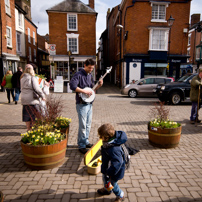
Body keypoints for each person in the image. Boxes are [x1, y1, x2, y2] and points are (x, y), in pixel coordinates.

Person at [69, 59, 103, 154]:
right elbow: (72, 86)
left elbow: (92, 89)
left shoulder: (90, 76)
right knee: (83, 126)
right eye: (89, 68)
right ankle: (81, 145)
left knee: (88, 125)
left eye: (92, 68)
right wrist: (84, 91)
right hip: (81, 104)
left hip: (89, 104)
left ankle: (86, 141)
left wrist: (99, 85)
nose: (90, 70)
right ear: (84, 65)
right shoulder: (78, 75)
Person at [97, 123, 127, 202]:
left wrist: (110, 173)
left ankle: (120, 195)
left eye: (101, 136)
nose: (100, 138)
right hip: (107, 168)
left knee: (112, 184)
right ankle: (107, 190)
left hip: (114, 172)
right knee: (105, 180)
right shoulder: (108, 144)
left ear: (106, 138)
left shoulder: (114, 149)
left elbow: (117, 163)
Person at [20, 64, 46, 131]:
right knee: (34, 116)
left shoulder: (22, 78)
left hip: (24, 99)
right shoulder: (32, 78)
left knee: (27, 115)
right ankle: (34, 130)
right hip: (32, 99)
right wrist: (43, 95)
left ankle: (28, 129)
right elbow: (37, 89)